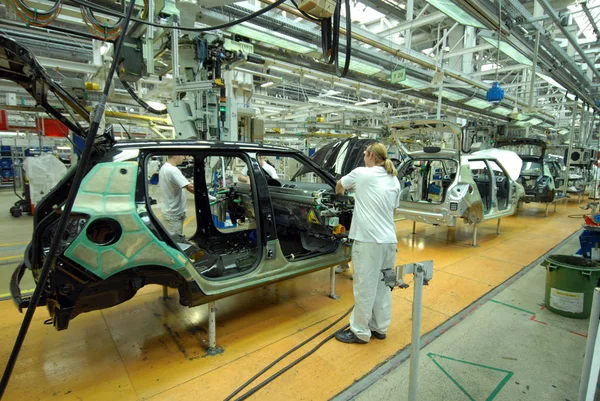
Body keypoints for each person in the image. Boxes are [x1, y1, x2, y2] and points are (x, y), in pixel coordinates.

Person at [334, 143, 400, 344]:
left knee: (365, 286)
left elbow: (339, 185)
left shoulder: (362, 173)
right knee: (383, 285)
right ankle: (379, 327)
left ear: (371, 155)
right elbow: (393, 211)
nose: (363, 156)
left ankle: (360, 332)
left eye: (365, 153)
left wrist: (341, 199)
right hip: (389, 241)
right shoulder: (394, 179)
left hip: (368, 241)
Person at [158, 155, 194, 242]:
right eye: (182, 155)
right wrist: (208, 196)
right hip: (174, 213)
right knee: (175, 241)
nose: (184, 158)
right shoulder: (173, 170)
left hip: (171, 210)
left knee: (173, 238)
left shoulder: (164, 167)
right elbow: (190, 187)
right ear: (175, 156)